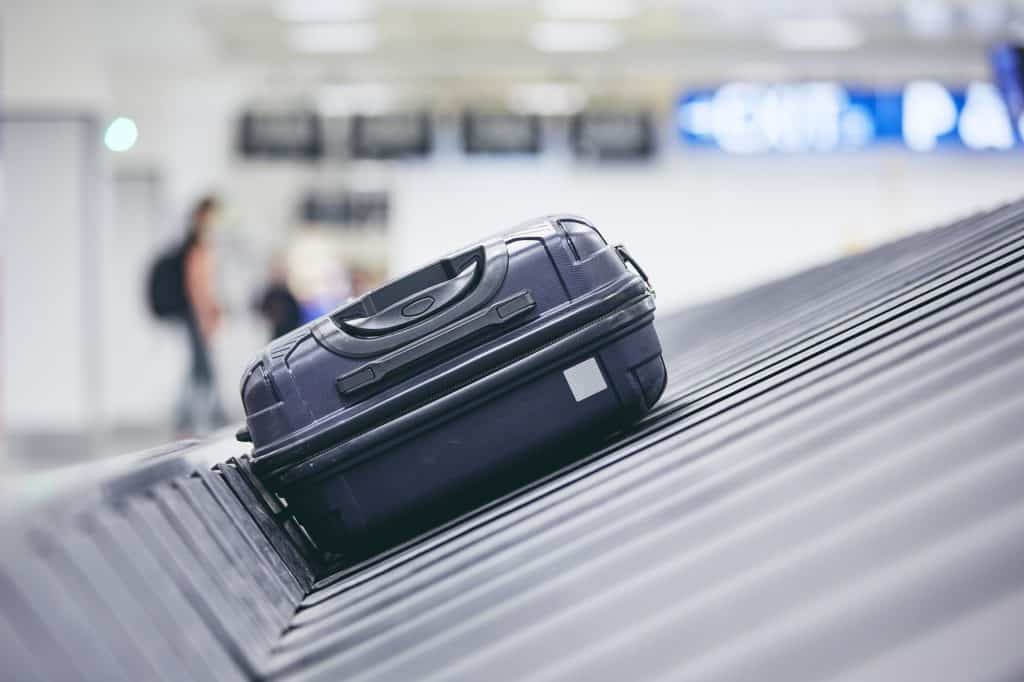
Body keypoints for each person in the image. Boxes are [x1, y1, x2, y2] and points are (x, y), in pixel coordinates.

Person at [176, 195, 228, 434]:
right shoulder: (197, 248)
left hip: (200, 316)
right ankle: (200, 420)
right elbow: (198, 286)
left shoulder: (202, 245)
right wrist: (204, 317)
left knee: (198, 370)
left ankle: (192, 419)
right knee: (203, 371)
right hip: (197, 317)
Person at [255, 257, 302, 340]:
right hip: (277, 332)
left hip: (290, 331)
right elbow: (262, 309)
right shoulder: (271, 293)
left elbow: (295, 312)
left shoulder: (286, 293)